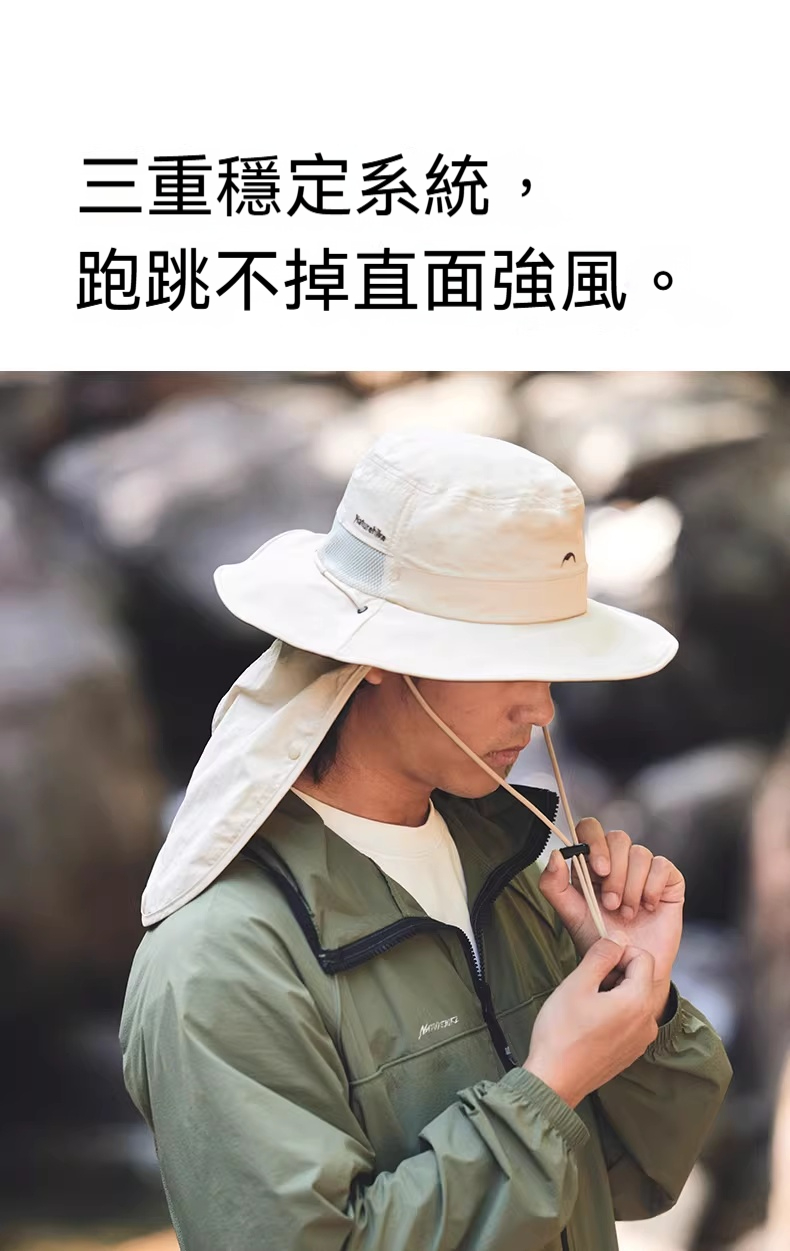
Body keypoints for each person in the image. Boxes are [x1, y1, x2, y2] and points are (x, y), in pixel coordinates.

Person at [120, 429, 732, 1251]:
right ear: (376, 655)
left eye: (549, 661)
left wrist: (636, 991)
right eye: (505, 657)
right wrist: (548, 1085)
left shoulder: (511, 872)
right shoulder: (218, 964)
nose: (541, 708)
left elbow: (638, 1171)